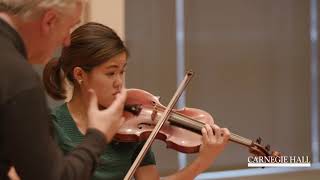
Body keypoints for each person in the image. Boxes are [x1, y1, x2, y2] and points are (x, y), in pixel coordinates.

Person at [43, 22, 230, 180]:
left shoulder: (132, 124)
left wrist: (201, 163)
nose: (119, 82)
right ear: (79, 75)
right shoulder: (52, 127)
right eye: (110, 73)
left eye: (122, 71)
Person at [0, 1, 127, 180]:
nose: (66, 41)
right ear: (49, 21)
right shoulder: (18, 78)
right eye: (69, 27)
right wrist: (98, 135)